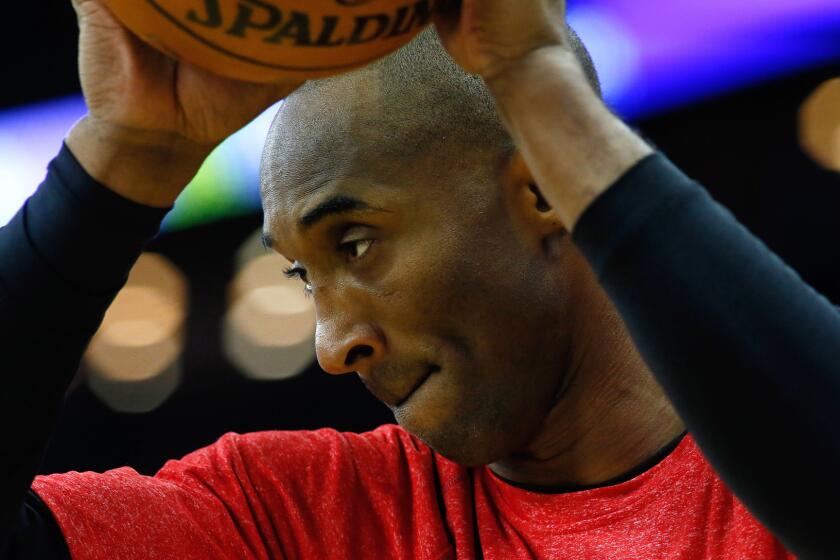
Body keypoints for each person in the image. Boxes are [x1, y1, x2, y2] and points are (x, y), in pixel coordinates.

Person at [1, 0, 837, 558]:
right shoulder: (297, 518)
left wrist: (539, 88)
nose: (332, 346)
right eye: (303, 275)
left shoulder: (777, 448)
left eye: (356, 244)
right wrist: (123, 159)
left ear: (543, 191)